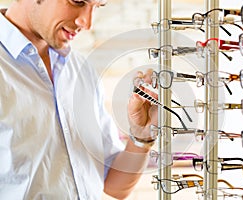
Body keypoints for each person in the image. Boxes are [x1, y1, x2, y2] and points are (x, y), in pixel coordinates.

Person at [0, 0, 158, 199]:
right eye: (78, 2)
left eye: (97, 6)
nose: (87, 22)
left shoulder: (81, 70)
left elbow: (114, 186)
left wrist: (141, 137)